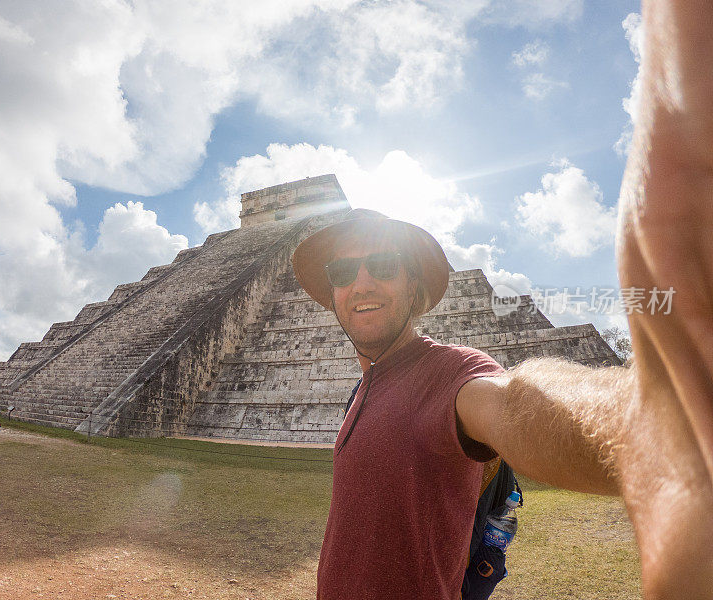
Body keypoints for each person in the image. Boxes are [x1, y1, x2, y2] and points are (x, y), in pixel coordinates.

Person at [291, 2, 713, 597]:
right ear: (332, 290)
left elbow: (511, 406)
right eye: (344, 270)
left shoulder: (451, 376)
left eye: (382, 264)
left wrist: (657, 427)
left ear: (415, 286)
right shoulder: (364, 386)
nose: (361, 283)